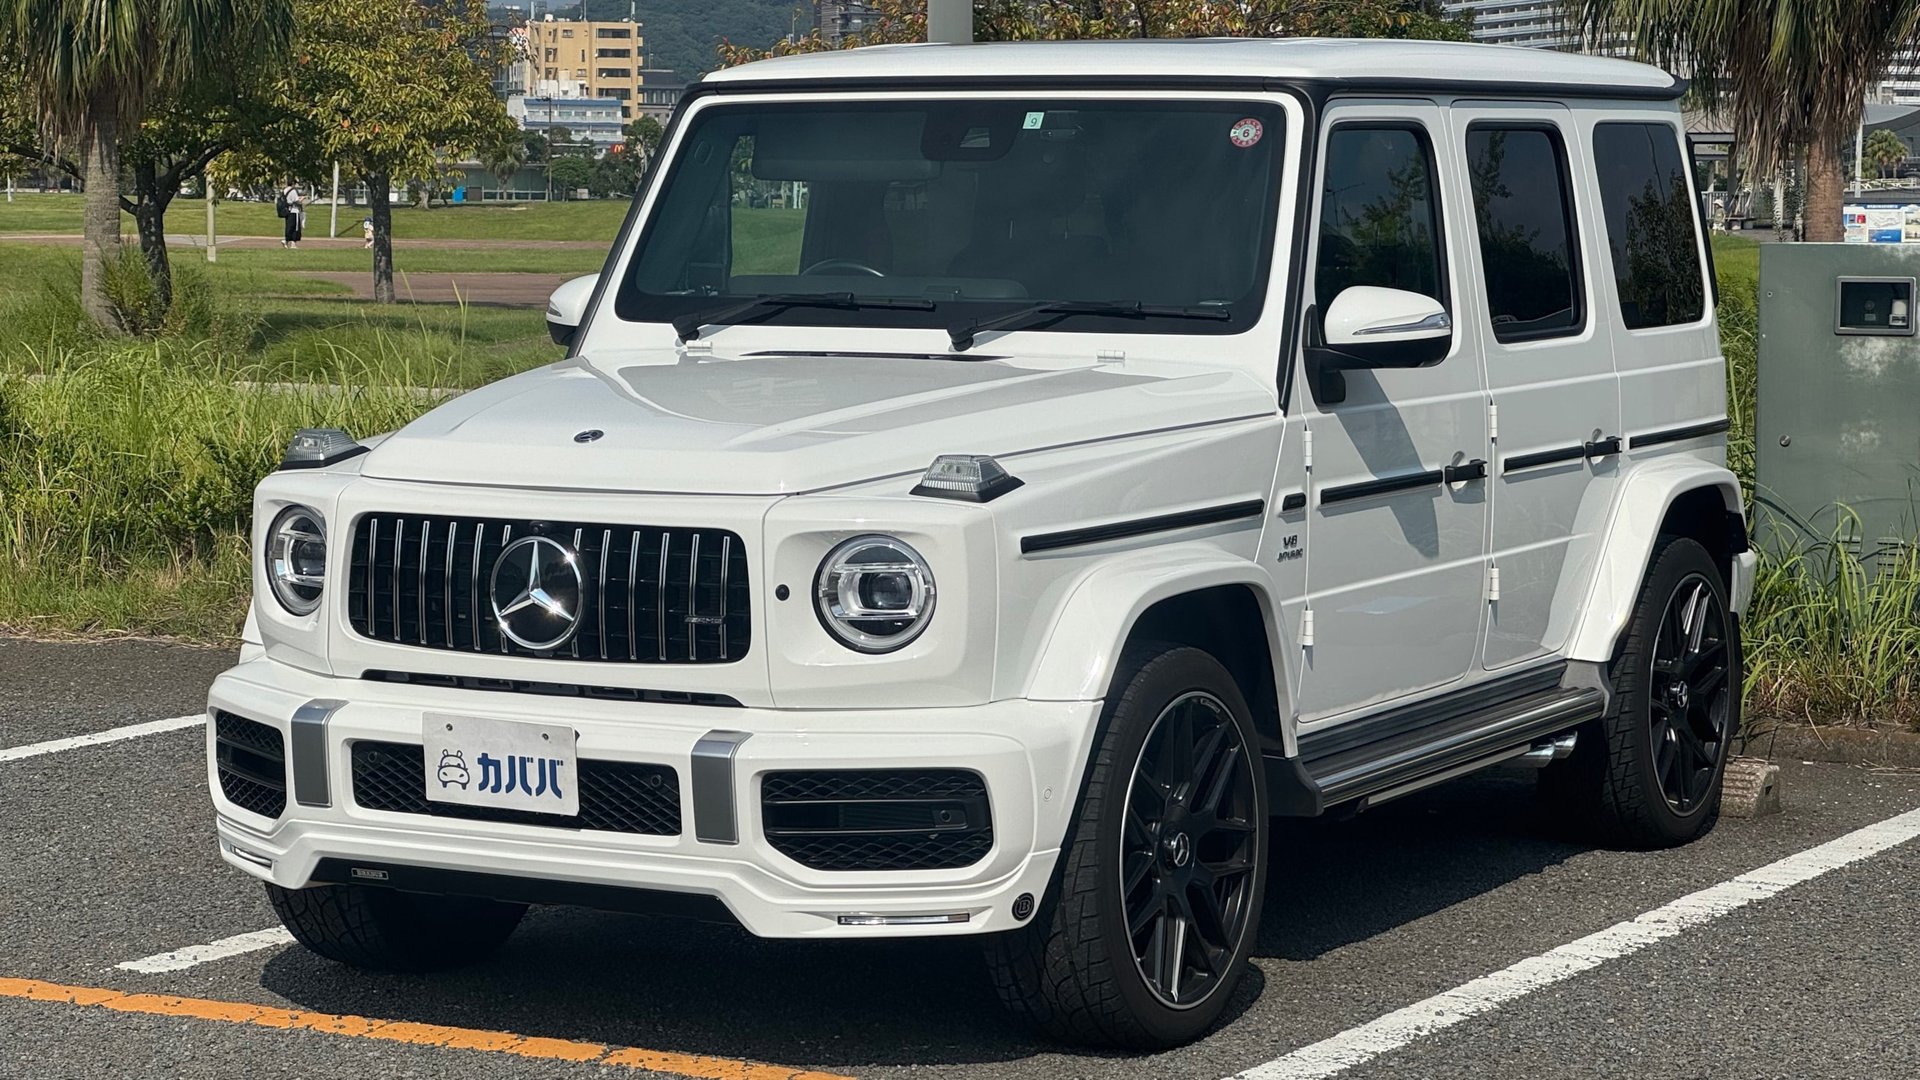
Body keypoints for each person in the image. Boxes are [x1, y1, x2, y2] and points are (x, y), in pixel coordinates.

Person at [280, 181, 305, 249]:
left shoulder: (285, 190)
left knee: (289, 227)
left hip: (287, 211)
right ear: (293, 184)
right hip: (294, 211)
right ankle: (292, 244)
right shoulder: (293, 191)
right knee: (295, 228)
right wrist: (302, 199)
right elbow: (297, 201)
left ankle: (286, 241)